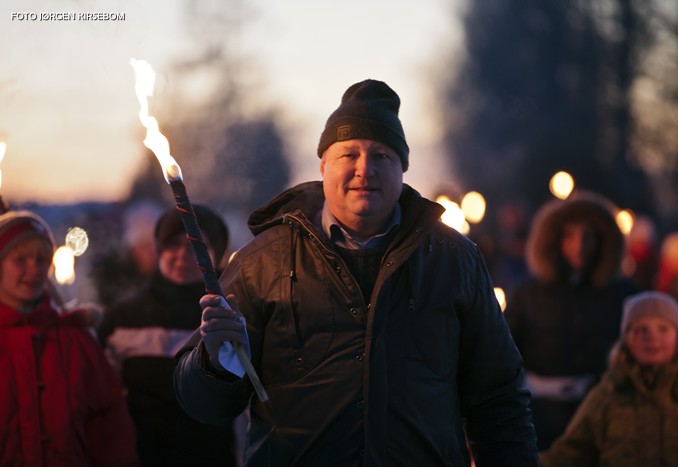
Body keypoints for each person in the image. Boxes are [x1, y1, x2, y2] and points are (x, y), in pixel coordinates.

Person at [173, 79, 539, 466]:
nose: (365, 169)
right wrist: (217, 364)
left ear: (402, 170)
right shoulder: (263, 261)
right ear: (324, 165)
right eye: (349, 154)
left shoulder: (454, 259)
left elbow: (499, 400)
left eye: (382, 155)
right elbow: (203, 405)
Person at [97, 204, 239, 467]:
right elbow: (104, 397)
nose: (184, 255)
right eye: (173, 244)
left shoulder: (230, 317)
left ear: (216, 255)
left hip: (211, 456)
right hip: (139, 455)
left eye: (198, 247)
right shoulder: (124, 317)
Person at [0, 210, 138, 466]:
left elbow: (109, 428)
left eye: (41, 259)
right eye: (20, 259)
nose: (34, 269)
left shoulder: (74, 340)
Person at [505, 191, 640, 450]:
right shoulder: (528, 293)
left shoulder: (624, 295)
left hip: (606, 417)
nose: (579, 245)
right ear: (554, 240)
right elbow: (501, 354)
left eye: (588, 236)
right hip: (539, 418)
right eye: (570, 235)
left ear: (603, 240)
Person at [539, 291, 678, 466]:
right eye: (641, 329)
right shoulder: (608, 395)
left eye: (663, 328)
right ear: (626, 341)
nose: (652, 337)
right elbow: (568, 453)